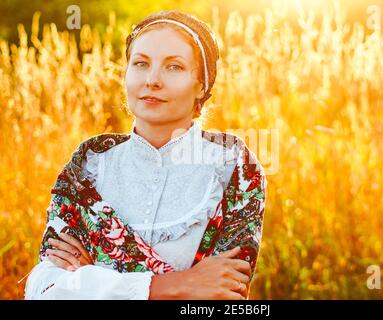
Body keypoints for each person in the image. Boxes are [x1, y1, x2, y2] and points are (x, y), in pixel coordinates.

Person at [24, 10, 267, 300]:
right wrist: (178, 285)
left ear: (201, 84)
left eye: (174, 67)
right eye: (140, 63)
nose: (152, 80)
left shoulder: (235, 168)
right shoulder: (89, 164)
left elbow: (223, 294)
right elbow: (44, 287)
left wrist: (93, 280)